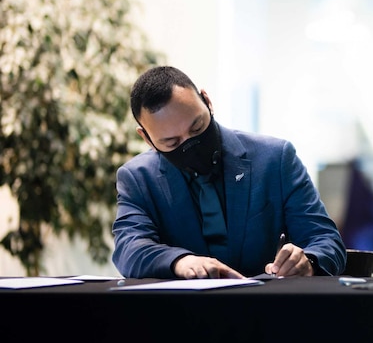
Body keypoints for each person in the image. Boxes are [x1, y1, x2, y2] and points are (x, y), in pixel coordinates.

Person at [112, 66, 346, 279]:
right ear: (147, 138)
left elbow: (325, 240)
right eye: (172, 143)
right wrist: (181, 262)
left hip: (266, 312)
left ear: (207, 102)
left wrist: (308, 261)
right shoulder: (138, 178)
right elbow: (129, 248)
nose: (190, 144)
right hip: (183, 317)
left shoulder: (275, 159)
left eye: (197, 127)